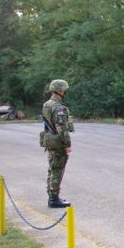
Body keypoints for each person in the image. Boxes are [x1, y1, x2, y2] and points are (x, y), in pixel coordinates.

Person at [41, 79, 74, 208]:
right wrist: (67, 144)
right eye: (64, 90)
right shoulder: (58, 107)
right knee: (57, 170)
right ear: (59, 90)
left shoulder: (47, 104)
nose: (65, 92)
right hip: (58, 143)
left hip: (50, 141)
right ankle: (54, 199)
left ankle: (52, 195)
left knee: (52, 169)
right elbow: (62, 129)